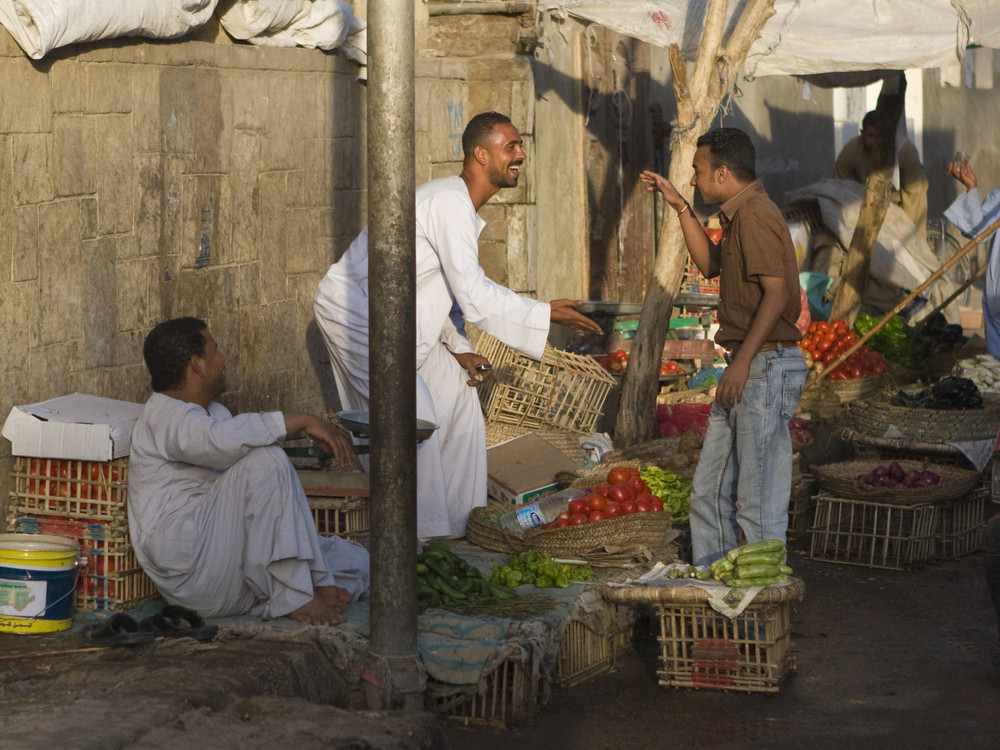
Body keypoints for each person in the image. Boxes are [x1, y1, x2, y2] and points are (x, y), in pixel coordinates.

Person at [313, 111, 602, 540]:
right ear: (480, 154)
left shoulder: (459, 207)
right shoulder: (449, 201)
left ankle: (463, 527)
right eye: (511, 147)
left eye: (520, 146)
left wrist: (457, 344)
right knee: (414, 419)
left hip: (400, 320)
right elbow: (473, 293)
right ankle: (417, 542)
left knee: (461, 403)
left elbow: (441, 289)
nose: (520, 154)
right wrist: (544, 313)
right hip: (355, 312)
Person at [127, 317, 370, 627]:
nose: (223, 360)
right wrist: (302, 421)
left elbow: (234, 443)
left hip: (232, 566)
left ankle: (301, 591)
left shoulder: (215, 413)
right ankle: (297, 596)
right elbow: (218, 443)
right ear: (196, 365)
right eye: (215, 351)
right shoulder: (162, 415)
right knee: (266, 460)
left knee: (355, 558)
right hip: (194, 575)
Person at [640, 128, 807, 567]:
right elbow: (709, 265)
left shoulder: (755, 215)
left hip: (763, 366)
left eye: (697, 172)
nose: (694, 180)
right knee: (709, 492)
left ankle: (760, 603)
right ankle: (717, 589)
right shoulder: (738, 215)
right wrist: (680, 206)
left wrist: (743, 363)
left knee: (756, 502)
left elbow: (777, 293)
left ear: (724, 171)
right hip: (750, 366)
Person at [834, 109, 929, 244]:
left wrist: (911, 241)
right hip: (866, 206)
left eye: (881, 136)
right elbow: (841, 189)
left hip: (902, 206)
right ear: (862, 134)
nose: (876, 142)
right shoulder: (851, 151)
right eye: (871, 136)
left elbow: (914, 198)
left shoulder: (906, 152)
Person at [945, 158, 1000, 360]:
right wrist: (971, 189)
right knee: (995, 372)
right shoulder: (999, 200)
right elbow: (977, 231)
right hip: (997, 298)